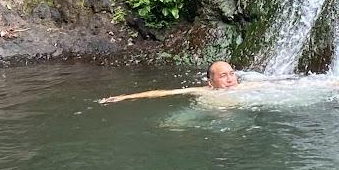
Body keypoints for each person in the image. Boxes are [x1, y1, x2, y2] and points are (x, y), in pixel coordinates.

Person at [100, 60, 250, 105]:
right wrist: (124, 97)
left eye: (231, 74)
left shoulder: (248, 87)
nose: (230, 79)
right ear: (210, 82)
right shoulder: (204, 91)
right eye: (223, 76)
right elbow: (164, 93)